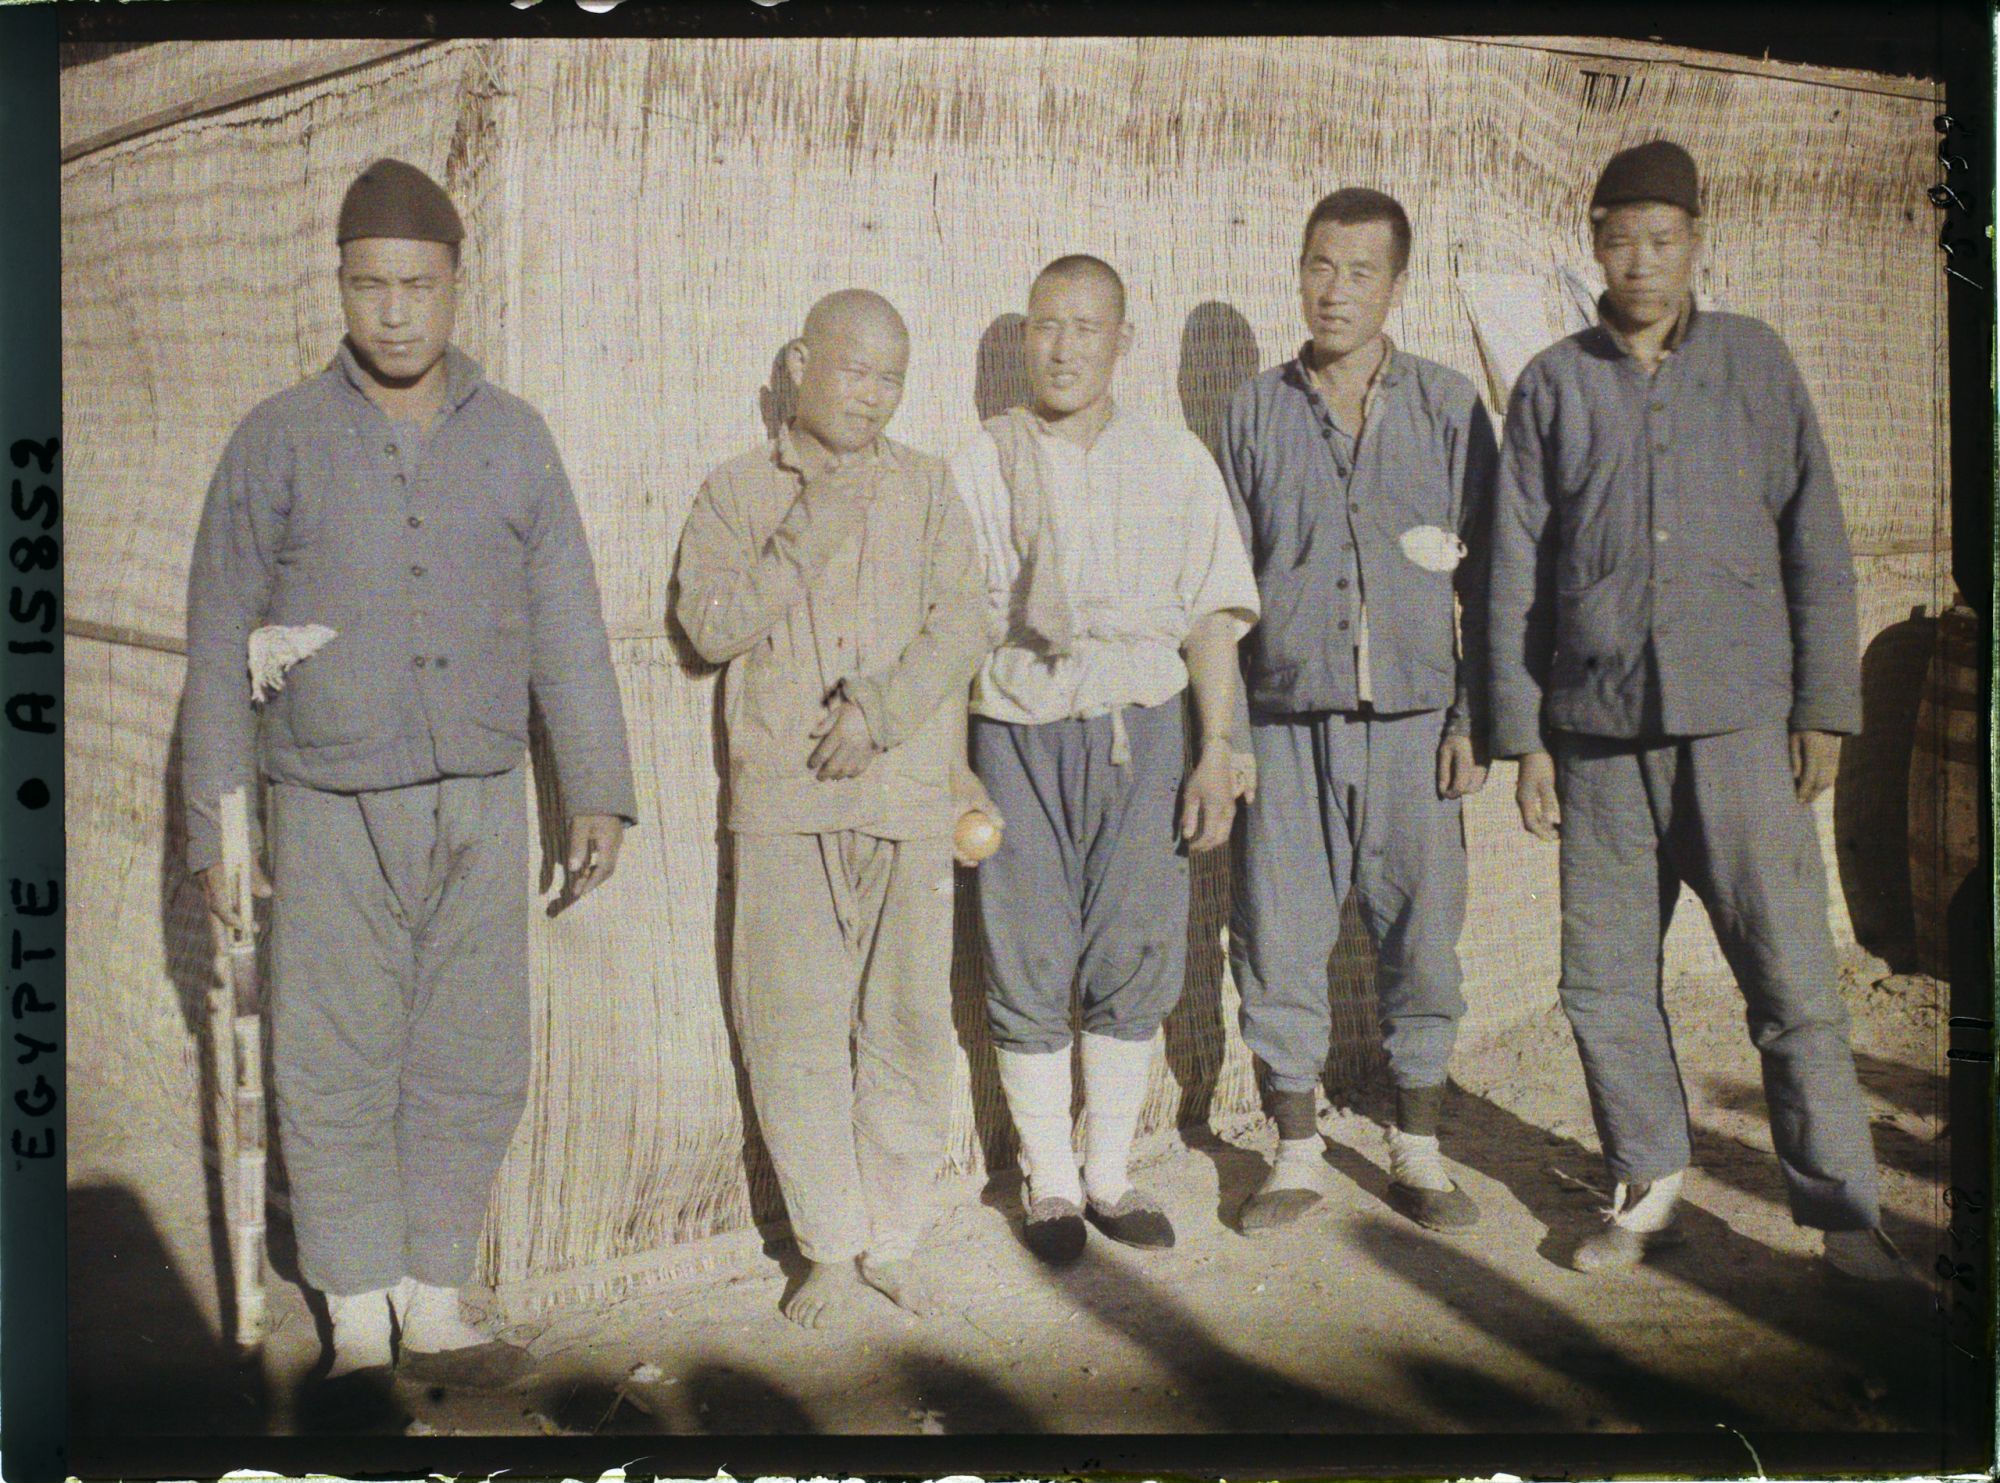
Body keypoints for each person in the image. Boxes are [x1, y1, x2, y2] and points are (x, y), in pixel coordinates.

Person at [182, 159, 637, 1407]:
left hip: (482, 796)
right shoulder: (276, 438)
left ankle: (436, 1306)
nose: (393, 310)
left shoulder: (516, 437)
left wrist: (592, 786)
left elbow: (568, 620)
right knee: (335, 1059)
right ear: (339, 285)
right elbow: (219, 625)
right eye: (370, 285)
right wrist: (217, 825)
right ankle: (359, 1324)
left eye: (417, 286)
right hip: (327, 801)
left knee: (471, 1052)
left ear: (454, 286)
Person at [1488, 139, 1911, 1280]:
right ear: (1590, 246)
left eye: (1661, 240)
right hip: (1595, 736)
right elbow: (1515, 571)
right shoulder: (1550, 383)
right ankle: (1647, 1189)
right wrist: (1523, 734)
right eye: (1617, 238)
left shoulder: (1754, 364)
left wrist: (1819, 704)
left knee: (1786, 973)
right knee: (1603, 981)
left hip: (1735, 728)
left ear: (1694, 244)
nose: (1639, 261)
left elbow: (1813, 543)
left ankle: (1840, 1218)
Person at [674, 289, 991, 1329]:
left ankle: (894, 1234)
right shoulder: (733, 492)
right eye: (854, 368)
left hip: (901, 798)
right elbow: (710, 629)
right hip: (783, 807)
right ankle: (829, 1247)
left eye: (891, 375)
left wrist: (883, 711)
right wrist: (808, 530)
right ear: (799, 359)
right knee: (791, 1026)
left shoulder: (931, 488)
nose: (872, 393)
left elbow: (964, 622)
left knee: (904, 1020)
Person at [951, 255, 1260, 1264]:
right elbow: (950, 628)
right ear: (1024, 339)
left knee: (1133, 946)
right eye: (1045, 325)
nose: (1063, 346)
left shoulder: (1174, 462)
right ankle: (1047, 1182)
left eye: (1085, 326)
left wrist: (1215, 748)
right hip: (1017, 731)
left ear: (1120, 339)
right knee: (1028, 948)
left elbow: (1211, 614)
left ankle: (1109, 1174)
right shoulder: (981, 462)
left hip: (1143, 728)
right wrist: (956, 766)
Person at [1221, 188, 1497, 1234]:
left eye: (1358, 273)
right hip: (1285, 724)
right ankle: (1293, 1150)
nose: (1332, 292)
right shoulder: (1251, 410)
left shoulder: (1446, 406)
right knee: (1279, 936)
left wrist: (1475, 713)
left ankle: (1415, 1147)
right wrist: (1228, 731)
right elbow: (1224, 582)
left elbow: (1491, 574)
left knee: (1422, 938)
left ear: (1394, 286)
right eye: (1316, 267)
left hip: (1418, 724)